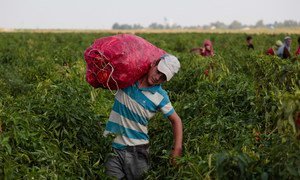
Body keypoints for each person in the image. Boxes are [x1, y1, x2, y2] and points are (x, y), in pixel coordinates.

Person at [103, 54, 183, 179]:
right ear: (153, 63)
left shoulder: (160, 96)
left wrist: (177, 149)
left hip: (136, 151)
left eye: (163, 77)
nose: (157, 78)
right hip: (111, 147)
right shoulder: (129, 78)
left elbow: (176, 120)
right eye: (158, 71)